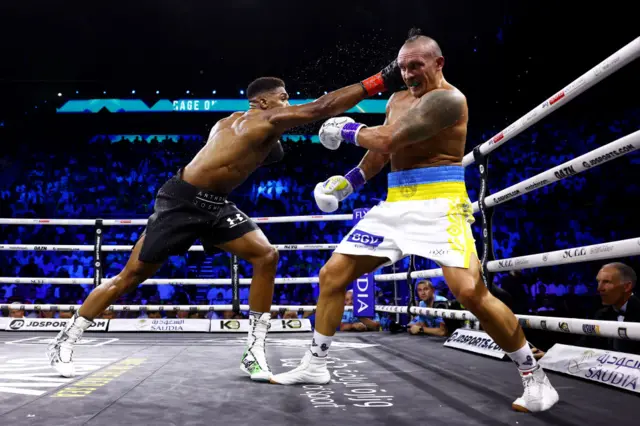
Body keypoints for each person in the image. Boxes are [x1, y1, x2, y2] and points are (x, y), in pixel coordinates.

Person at [46, 63, 406, 380]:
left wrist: (273, 143)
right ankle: (67, 339)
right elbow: (320, 108)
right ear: (264, 101)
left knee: (266, 256)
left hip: (214, 204)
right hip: (180, 203)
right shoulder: (266, 117)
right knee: (131, 276)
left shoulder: (229, 122)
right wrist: (380, 80)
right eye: (284, 98)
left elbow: (241, 157)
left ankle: (254, 351)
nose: (288, 104)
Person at [271, 28, 559, 413]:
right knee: (332, 276)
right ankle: (316, 364)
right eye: (404, 68)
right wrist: (347, 184)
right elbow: (382, 155)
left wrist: (347, 128)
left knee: (470, 292)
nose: (408, 74)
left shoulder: (448, 100)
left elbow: (388, 139)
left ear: (438, 63)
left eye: (416, 66)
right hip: (395, 204)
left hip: (442, 202)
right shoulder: (396, 99)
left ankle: (534, 375)